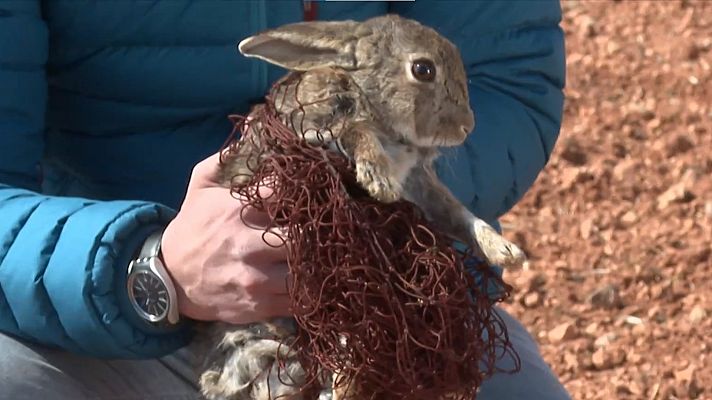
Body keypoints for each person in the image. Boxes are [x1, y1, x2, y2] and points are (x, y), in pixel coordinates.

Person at [0, 1, 569, 399]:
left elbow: (502, 80)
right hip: (103, 307)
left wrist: (369, 205)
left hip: (381, 294)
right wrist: (148, 266)